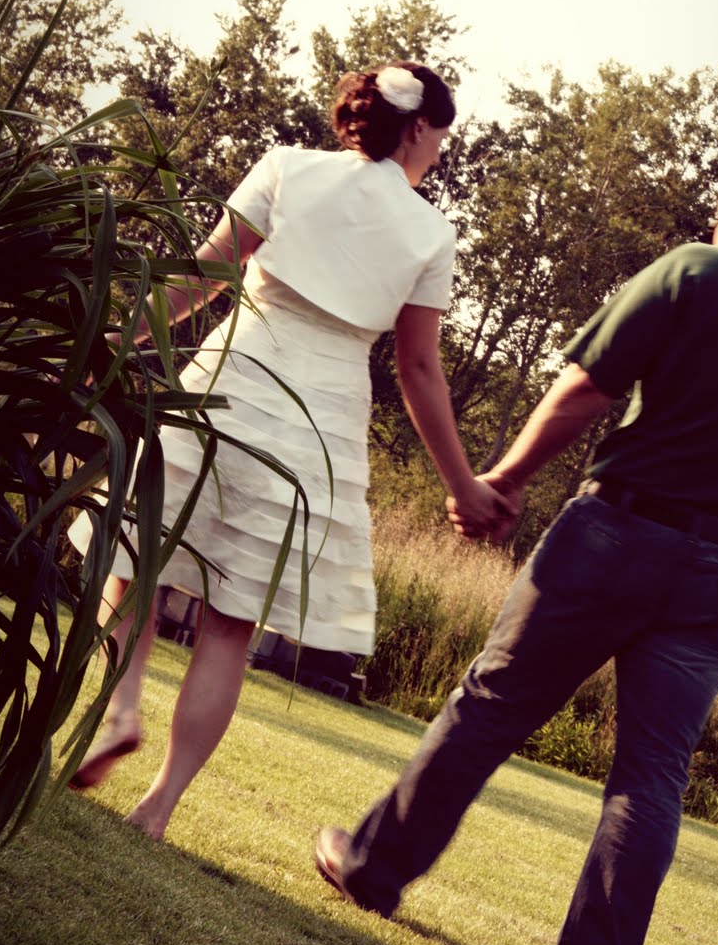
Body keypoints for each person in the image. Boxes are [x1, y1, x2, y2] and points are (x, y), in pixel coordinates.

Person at [315, 165, 718, 945]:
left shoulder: (695, 267)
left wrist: (503, 479)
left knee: (490, 707)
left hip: (618, 535)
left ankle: (371, 868)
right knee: (652, 774)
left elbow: (587, 387)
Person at [68, 62, 508, 838]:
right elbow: (418, 369)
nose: (439, 152)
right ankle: (159, 807)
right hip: (318, 426)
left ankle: (121, 709)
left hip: (229, 383)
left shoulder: (288, 168)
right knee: (231, 622)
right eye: (440, 137)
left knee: (135, 557)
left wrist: (116, 338)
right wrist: (461, 483)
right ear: (417, 128)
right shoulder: (430, 234)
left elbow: (204, 275)